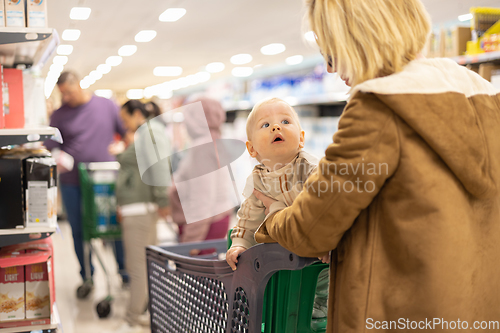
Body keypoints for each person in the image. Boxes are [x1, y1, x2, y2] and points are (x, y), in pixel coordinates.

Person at [253, 0, 500, 332]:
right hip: (473, 313)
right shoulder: (484, 98)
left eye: (330, 52)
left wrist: (271, 217)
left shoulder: (378, 107)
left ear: (354, 39)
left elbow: (310, 229)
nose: (329, 69)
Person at [225, 97, 329, 318]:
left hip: (317, 256)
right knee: (277, 293)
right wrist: (240, 244)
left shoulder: (312, 170)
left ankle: (322, 307)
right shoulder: (257, 180)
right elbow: (248, 218)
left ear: (301, 138)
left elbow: (327, 210)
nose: (276, 127)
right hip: (281, 259)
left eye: (285, 121)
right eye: (265, 125)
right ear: (252, 149)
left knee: (323, 282)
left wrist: (327, 241)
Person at [44, 71, 127, 295]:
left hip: (105, 179)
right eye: (62, 94)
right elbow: (50, 145)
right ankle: (87, 276)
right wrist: (58, 157)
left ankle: (124, 271)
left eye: (69, 93)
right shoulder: (60, 115)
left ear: (79, 85)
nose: (66, 98)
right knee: (79, 229)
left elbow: (125, 132)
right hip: (72, 181)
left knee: (113, 225)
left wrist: (122, 148)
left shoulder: (106, 106)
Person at [110, 100, 170, 331]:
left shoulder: (151, 132)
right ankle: (141, 313)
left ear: (136, 114)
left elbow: (160, 166)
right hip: (137, 208)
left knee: (137, 267)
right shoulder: (146, 133)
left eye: (125, 120)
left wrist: (163, 199)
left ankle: (132, 318)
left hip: (140, 210)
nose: (125, 125)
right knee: (142, 266)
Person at [168, 97, 233, 245]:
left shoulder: (202, 148)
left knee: (198, 267)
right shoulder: (214, 141)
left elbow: (202, 200)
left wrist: (191, 242)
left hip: (204, 228)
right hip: (215, 221)